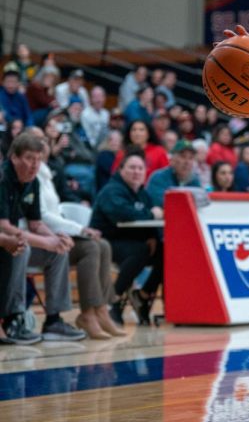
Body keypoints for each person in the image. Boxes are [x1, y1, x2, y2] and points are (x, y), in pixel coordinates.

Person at [30, 129, 125, 339]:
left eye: (44, 140)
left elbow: (57, 212)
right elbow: (42, 217)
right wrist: (80, 229)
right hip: (41, 239)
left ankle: (101, 309)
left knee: (103, 245)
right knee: (90, 247)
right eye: (37, 140)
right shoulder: (32, 174)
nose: (43, 144)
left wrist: (77, 229)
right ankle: (88, 313)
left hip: (55, 234)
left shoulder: (46, 172)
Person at [0, 132, 85, 343]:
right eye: (29, 158)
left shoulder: (33, 182)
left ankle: (54, 320)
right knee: (23, 247)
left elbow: (36, 223)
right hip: (5, 240)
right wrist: (46, 241)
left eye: (38, 159)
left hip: (15, 237)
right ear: (14, 158)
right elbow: (4, 226)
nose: (34, 165)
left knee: (58, 252)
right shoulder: (3, 178)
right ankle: (14, 319)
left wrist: (56, 238)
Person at [90, 147, 164, 326]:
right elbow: (123, 214)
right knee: (139, 251)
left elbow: (144, 215)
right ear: (121, 170)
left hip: (130, 241)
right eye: (132, 167)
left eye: (140, 168)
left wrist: (152, 236)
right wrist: (152, 215)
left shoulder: (142, 193)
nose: (136, 172)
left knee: (165, 250)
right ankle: (113, 300)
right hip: (105, 241)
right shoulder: (112, 190)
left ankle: (143, 294)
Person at [146, 140, 201, 208]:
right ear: (172, 160)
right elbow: (162, 202)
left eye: (191, 158)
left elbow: (200, 203)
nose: (187, 162)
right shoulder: (158, 178)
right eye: (183, 157)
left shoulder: (194, 179)